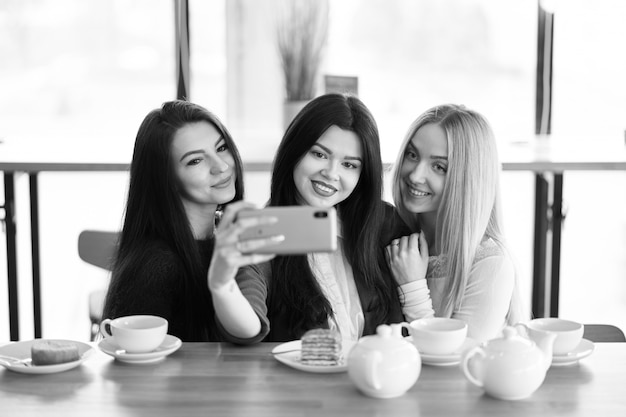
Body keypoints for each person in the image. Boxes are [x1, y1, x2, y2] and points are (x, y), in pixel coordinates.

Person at [102, 100, 280, 343]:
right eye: (195, 160)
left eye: (221, 148)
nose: (221, 166)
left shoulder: (224, 243)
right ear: (166, 178)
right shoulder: (156, 266)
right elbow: (135, 369)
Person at [236, 93, 408, 342]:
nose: (331, 173)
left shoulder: (384, 224)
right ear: (294, 150)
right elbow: (247, 321)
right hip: (299, 379)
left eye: (349, 165)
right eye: (319, 154)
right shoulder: (264, 230)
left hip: (377, 376)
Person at [386, 104, 526, 342]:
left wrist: (413, 289)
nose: (415, 175)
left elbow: (459, 366)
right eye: (412, 155)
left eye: (439, 167)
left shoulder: (491, 265)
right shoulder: (394, 237)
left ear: (467, 180)